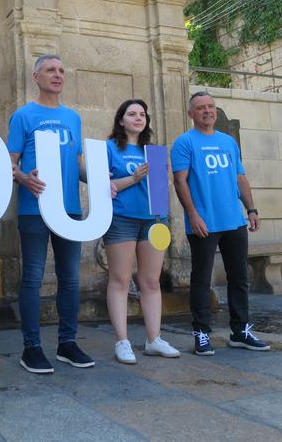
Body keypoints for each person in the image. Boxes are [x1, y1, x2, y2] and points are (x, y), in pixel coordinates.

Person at [8, 54, 94, 374]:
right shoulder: (23, 116)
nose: (57, 75)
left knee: (70, 279)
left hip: (69, 209)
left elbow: (79, 162)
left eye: (61, 70)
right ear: (36, 77)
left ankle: (67, 343)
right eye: (50, 70)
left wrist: (103, 182)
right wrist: (23, 178)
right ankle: (31, 348)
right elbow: (10, 161)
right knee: (32, 277)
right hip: (35, 208)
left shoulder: (73, 117)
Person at [171, 91, 271, 355]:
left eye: (211, 106)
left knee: (239, 278)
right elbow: (180, 181)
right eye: (201, 107)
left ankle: (240, 332)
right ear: (191, 114)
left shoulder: (228, 142)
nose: (207, 111)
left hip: (234, 221)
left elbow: (240, 178)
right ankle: (202, 334)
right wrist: (192, 215)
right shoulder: (184, 142)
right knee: (202, 279)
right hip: (204, 222)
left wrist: (251, 208)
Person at [104, 99, 180, 364]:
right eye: (132, 113)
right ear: (121, 119)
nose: (138, 117)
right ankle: (122, 342)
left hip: (152, 220)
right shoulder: (110, 148)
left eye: (142, 114)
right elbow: (103, 186)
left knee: (150, 281)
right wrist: (134, 178)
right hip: (121, 218)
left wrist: (161, 178)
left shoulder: (154, 152)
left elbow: (159, 190)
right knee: (121, 280)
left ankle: (153, 339)